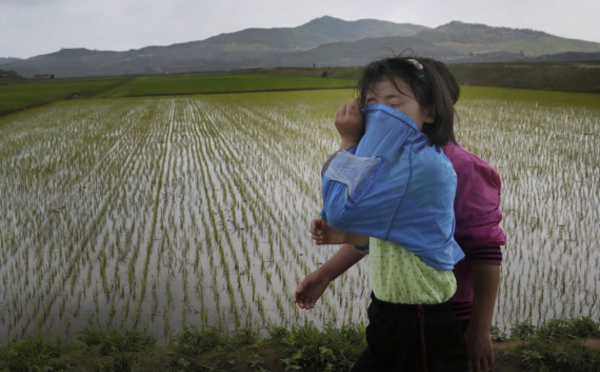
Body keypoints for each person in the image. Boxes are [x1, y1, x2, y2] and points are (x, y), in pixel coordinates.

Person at [295, 56, 505, 372]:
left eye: (393, 102)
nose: (380, 113)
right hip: (391, 303)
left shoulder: (451, 167)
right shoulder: (390, 161)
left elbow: (485, 249)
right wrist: (328, 269)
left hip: (438, 308)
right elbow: (391, 232)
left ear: (433, 108)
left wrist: (480, 328)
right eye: (372, 103)